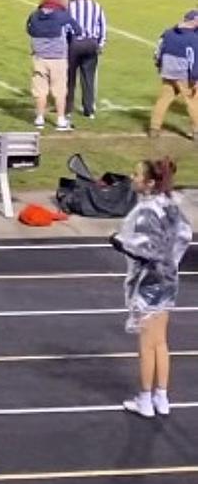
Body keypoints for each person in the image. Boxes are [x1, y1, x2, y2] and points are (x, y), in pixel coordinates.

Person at [110, 158, 191, 418]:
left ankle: (145, 399)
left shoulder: (146, 211)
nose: (132, 177)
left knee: (147, 344)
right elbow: (184, 235)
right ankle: (162, 397)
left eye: (136, 174)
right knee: (161, 343)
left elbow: (145, 247)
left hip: (149, 281)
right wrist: (172, 260)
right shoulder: (171, 205)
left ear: (149, 183)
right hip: (169, 279)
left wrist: (119, 241)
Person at [27, 0, 83, 131]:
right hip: (58, 58)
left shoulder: (34, 15)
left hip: (39, 57)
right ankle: (60, 120)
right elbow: (78, 30)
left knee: (40, 90)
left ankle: (39, 119)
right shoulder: (62, 15)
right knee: (59, 91)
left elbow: (29, 30)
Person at [149, 10, 198, 141]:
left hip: (168, 72)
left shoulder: (168, 33)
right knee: (193, 101)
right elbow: (193, 59)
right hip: (183, 75)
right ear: (194, 21)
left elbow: (159, 50)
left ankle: (154, 128)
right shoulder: (193, 38)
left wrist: (160, 66)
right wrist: (194, 78)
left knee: (164, 100)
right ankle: (196, 131)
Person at [66, 0, 107, 121]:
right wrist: (100, 44)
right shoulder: (97, 6)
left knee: (70, 77)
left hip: (75, 43)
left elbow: (65, 26)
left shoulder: (70, 6)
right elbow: (103, 26)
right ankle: (89, 110)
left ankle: (67, 109)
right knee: (89, 78)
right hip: (91, 43)